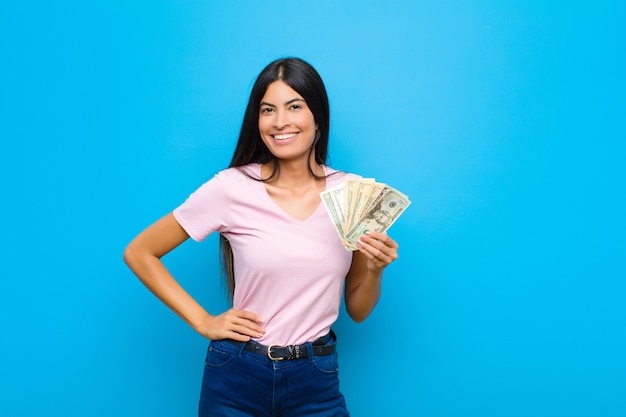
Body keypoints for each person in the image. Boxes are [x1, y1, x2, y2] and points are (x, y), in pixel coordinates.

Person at [123, 57, 400, 417]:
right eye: (268, 109)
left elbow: (358, 311)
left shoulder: (353, 195)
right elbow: (140, 252)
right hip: (237, 375)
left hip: (316, 377)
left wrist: (376, 270)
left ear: (317, 116)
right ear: (258, 120)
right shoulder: (231, 188)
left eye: (294, 107)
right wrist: (204, 321)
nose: (280, 121)